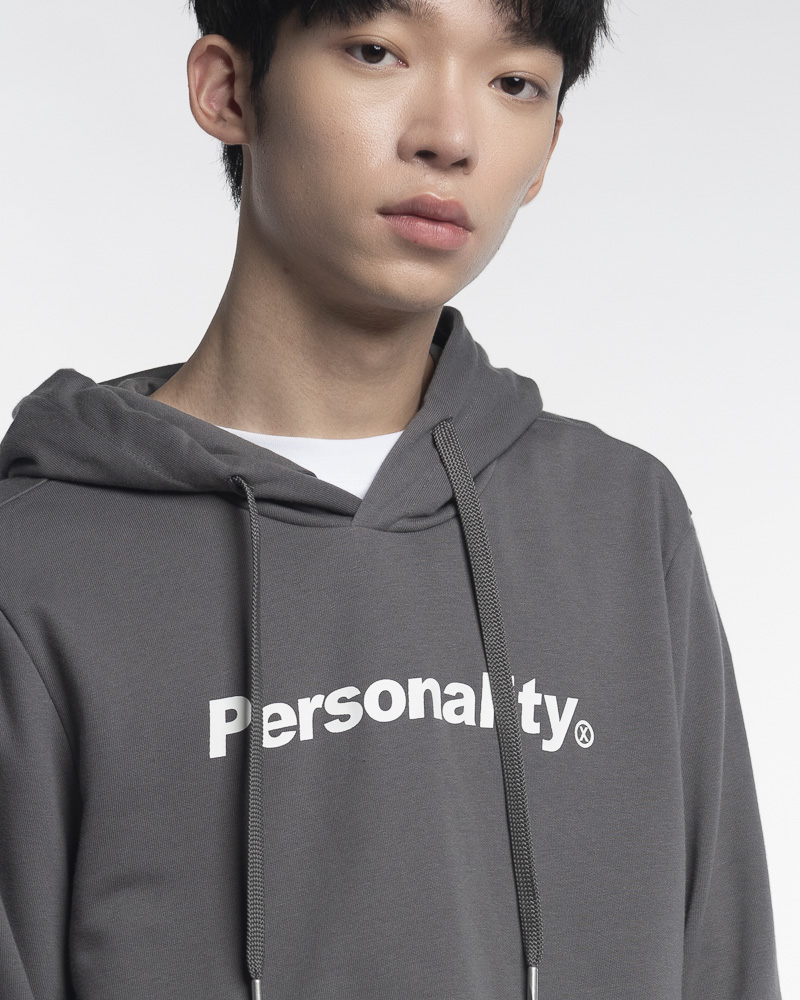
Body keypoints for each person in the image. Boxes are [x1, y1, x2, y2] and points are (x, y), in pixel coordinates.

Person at [0, 0, 783, 997]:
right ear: (228, 89)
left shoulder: (623, 523)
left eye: (514, 83)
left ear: (546, 150)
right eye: (376, 52)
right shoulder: (37, 566)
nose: (449, 138)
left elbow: (723, 963)